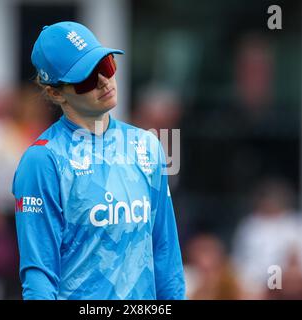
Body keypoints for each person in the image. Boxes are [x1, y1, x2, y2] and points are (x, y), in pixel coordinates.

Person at [12, 21, 185, 300]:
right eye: (87, 78)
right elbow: (39, 275)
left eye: (106, 65)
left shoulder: (147, 145)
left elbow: (165, 252)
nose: (104, 81)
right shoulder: (42, 160)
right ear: (56, 92)